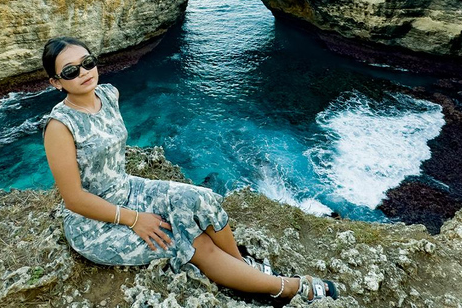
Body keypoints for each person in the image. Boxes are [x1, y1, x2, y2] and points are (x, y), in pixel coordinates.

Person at [41, 36, 338, 303]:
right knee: (190, 240)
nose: (84, 72)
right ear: (56, 82)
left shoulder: (108, 94)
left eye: (88, 63)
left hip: (127, 189)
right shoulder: (59, 126)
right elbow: (74, 199)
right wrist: (135, 220)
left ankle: (241, 269)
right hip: (93, 224)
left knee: (204, 199)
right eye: (70, 71)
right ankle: (283, 288)